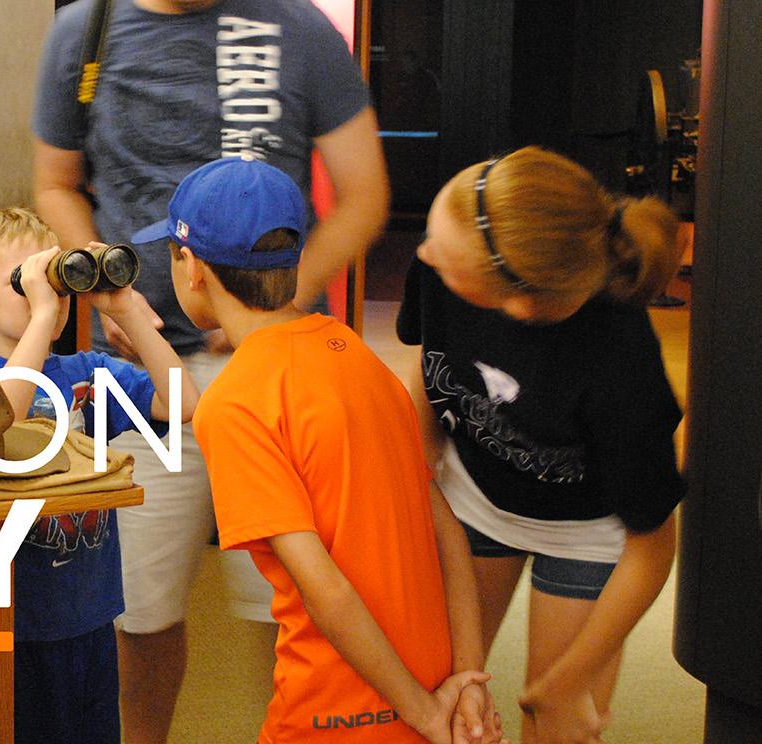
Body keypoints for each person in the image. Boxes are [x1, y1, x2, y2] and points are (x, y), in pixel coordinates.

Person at [30, 3, 390, 737]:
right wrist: (108, 286)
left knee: (294, 603)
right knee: (136, 610)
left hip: (269, 366)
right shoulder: (85, 31)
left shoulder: (299, 28)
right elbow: (54, 182)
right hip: (139, 377)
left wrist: (271, 301)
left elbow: (365, 194)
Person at [149, 157, 502, 743]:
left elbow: (325, 587)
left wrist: (419, 710)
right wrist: (467, 678)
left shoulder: (234, 403)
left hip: (336, 711)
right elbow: (448, 535)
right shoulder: (357, 355)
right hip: (431, 688)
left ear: (191, 267)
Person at [398, 146, 686, 743]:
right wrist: (415, 483)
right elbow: (426, 374)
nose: (424, 253)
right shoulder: (434, 267)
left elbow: (653, 548)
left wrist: (565, 684)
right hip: (472, 501)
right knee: (440, 695)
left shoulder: (619, 364)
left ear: (519, 306)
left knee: (555, 724)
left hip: (586, 533)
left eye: (444, 259)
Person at [0, 207, 197, 744]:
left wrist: (123, 309)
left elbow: (184, 403)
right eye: (21, 284)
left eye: (49, 277)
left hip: (91, 611)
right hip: (12, 622)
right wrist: (41, 314)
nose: (42, 300)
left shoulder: (89, 375)